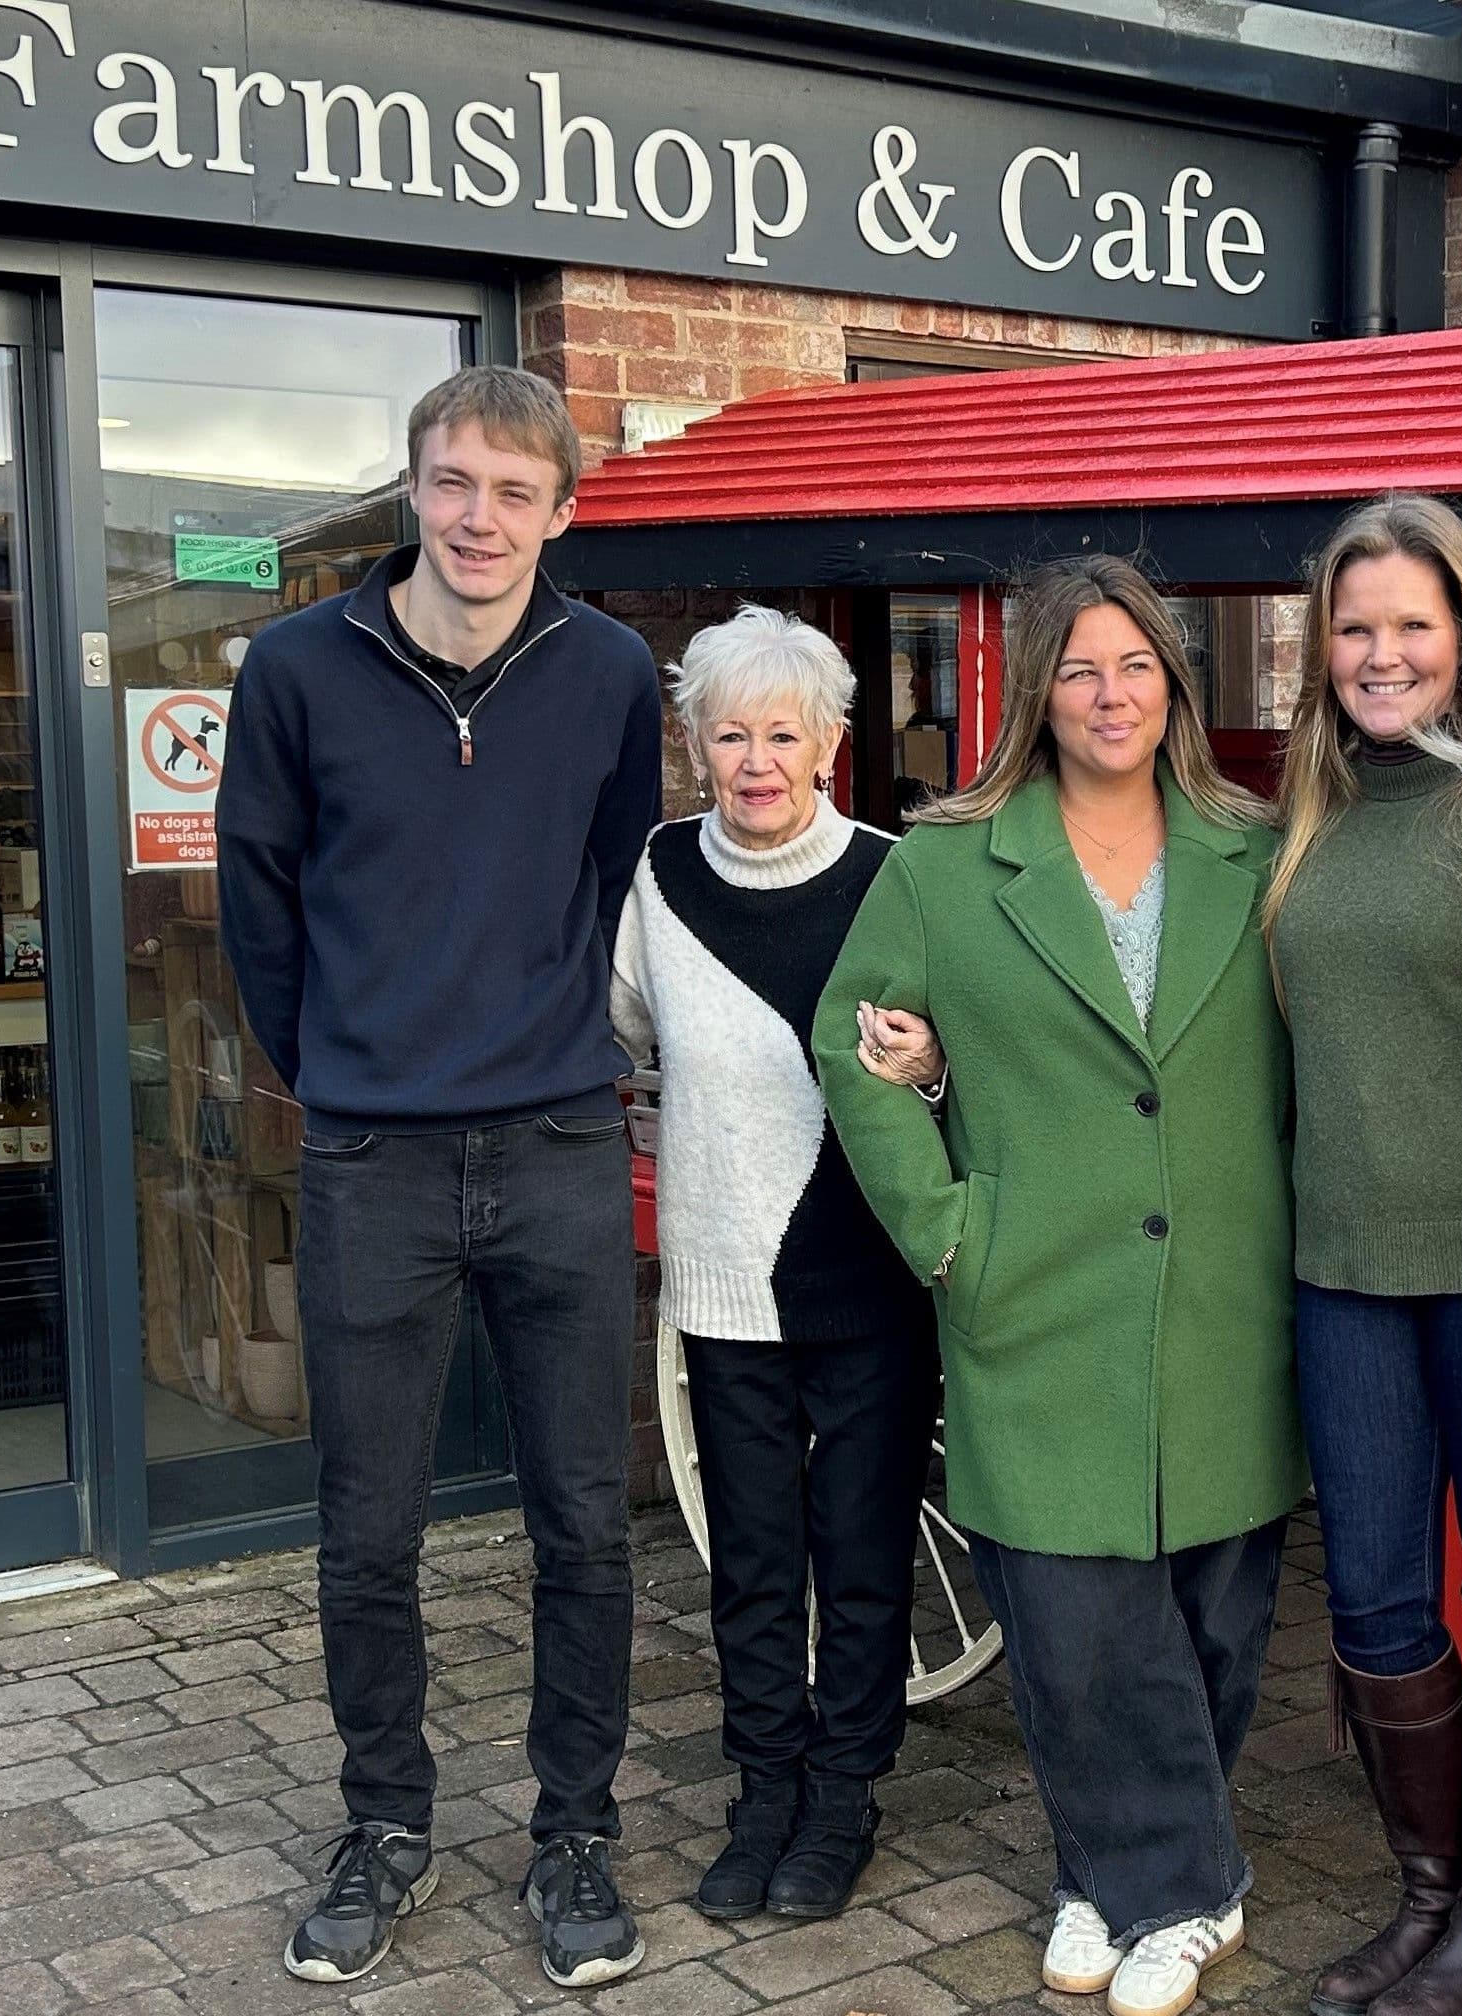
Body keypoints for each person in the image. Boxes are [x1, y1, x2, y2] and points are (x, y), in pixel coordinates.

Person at [217, 365, 662, 1991]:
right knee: (367, 1530)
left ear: (563, 508)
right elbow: (258, 902)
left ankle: (577, 1835)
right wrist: (339, 1071)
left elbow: (619, 884)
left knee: (585, 1526)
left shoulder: (611, 673)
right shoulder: (294, 669)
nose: (481, 518)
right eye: (453, 482)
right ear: (410, 486)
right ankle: (385, 1824)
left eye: (515, 491)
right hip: (371, 1159)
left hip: (553, 1141)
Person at [818, 556, 1304, 2016]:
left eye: (1139, 664)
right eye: (1083, 668)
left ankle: (1108, 1873)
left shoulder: (1258, 849)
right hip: (1034, 1288)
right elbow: (856, 1044)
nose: (1112, 693)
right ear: (1038, 689)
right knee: (1080, 1621)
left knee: (1216, 1612)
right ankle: (1182, 1891)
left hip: (1227, 1294)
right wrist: (948, 1227)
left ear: (1177, 683)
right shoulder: (947, 863)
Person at [1260, 495, 1462, 2016]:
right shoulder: (1303, 816)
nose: (1382, 654)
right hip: (1340, 1276)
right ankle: (1427, 1898)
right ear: (1320, 649)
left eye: (1412, 624)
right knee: (1382, 1604)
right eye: (1354, 627)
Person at [607, 605, 936, 1925]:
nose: (754, 760)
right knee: (751, 1562)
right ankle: (765, 1792)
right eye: (727, 733)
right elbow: (626, 1022)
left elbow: (945, 1052)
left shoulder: (892, 875)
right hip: (721, 1278)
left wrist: (930, 1063)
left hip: (867, 1282)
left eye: (780, 734)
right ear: (694, 746)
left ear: (831, 746)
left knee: (859, 1557)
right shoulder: (655, 875)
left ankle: (844, 1798)